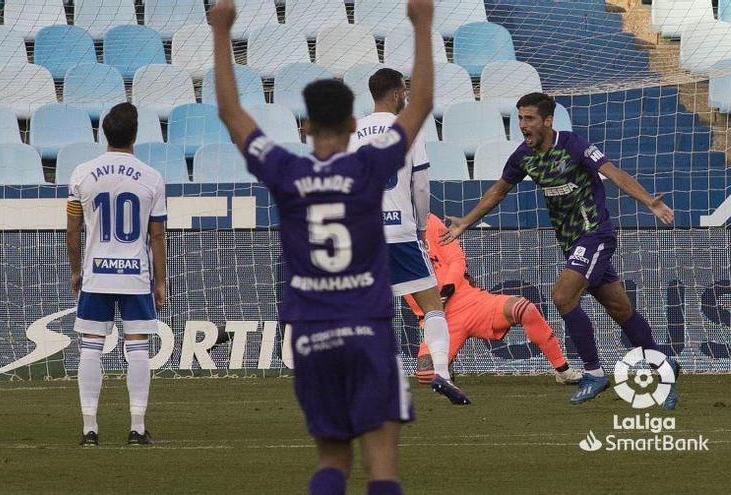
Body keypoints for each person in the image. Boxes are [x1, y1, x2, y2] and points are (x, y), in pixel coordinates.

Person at [210, 0, 434, 492]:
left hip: (311, 334)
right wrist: (422, 24)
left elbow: (230, 112)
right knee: (382, 466)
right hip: (368, 330)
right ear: (355, 127)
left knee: (331, 462)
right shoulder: (368, 167)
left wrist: (222, 31)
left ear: (305, 126)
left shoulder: (286, 172)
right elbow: (418, 107)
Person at [440, 92, 679, 408]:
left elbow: (613, 173)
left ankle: (594, 373)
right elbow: (498, 191)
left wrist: (648, 200)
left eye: (529, 119)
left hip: (595, 234)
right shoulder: (523, 156)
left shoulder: (574, 145)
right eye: (520, 118)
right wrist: (465, 223)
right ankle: (664, 363)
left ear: (547, 121)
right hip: (572, 243)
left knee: (562, 296)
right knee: (621, 309)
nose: (523, 125)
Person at [348, 68, 469, 405]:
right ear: (396, 93)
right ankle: (442, 372)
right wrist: (418, 225)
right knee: (432, 305)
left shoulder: (352, 132)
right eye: (404, 90)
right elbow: (420, 184)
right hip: (400, 232)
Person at [66, 102, 168, 446]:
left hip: (96, 272)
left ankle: (89, 430)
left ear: (104, 133)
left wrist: (76, 271)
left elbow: (72, 228)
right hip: (135, 274)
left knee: (90, 349)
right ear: (135, 135)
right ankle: (137, 428)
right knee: (137, 348)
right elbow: (157, 235)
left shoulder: (82, 173)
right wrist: (161, 280)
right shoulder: (152, 177)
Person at [404, 214, 583, 386]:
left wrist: (444, 293)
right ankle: (447, 361)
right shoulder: (387, 242)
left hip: (471, 302)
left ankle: (562, 370)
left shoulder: (430, 221)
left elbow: (457, 260)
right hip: (441, 319)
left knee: (523, 308)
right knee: (427, 375)